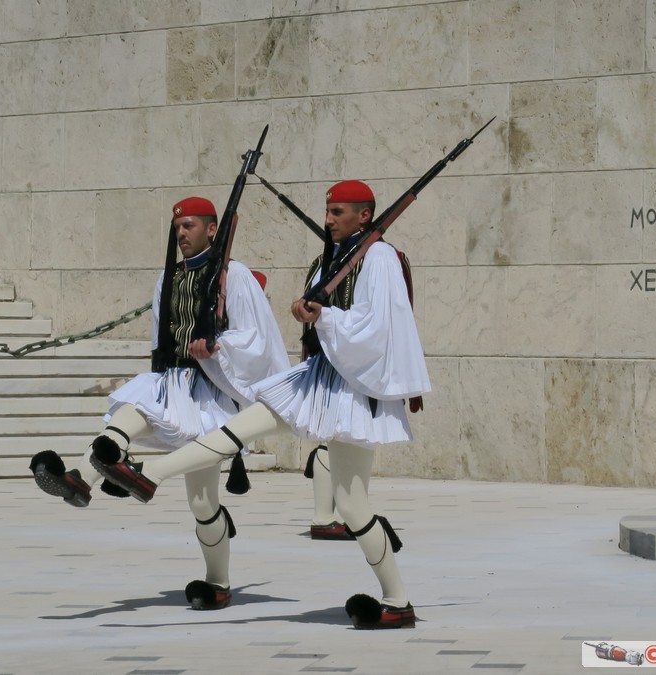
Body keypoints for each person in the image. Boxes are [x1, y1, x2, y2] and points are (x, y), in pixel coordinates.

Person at [92, 180, 430, 630]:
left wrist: (322, 314)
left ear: (364, 215)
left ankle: (397, 600)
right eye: (328, 211)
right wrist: (308, 309)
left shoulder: (380, 257)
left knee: (352, 507)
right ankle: (149, 476)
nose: (328, 219)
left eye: (339, 212)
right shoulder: (334, 257)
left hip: (353, 388)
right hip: (317, 378)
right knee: (239, 428)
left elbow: (378, 326)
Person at [28, 196, 289, 611]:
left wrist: (216, 346)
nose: (182, 233)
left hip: (213, 391)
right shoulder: (168, 276)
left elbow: (255, 337)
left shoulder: (234, 276)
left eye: (190, 226)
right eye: (178, 227)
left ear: (211, 228)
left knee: (203, 503)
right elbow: (158, 335)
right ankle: (81, 479)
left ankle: (217, 582)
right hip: (173, 380)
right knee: (134, 404)